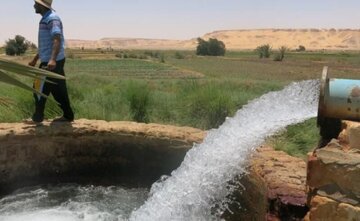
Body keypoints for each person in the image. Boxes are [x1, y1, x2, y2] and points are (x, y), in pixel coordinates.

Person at [28, 0, 74, 123]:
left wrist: (52, 59)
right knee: (58, 89)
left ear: (41, 6)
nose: (34, 6)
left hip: (52, 61)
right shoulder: (45, 19)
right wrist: (35, 59)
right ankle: (68, 115)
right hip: (51, 60)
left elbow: (56, 39)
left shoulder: (52, 18)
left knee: (38, 88)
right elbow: (46, 44)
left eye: (36, 4)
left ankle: (38, 117)